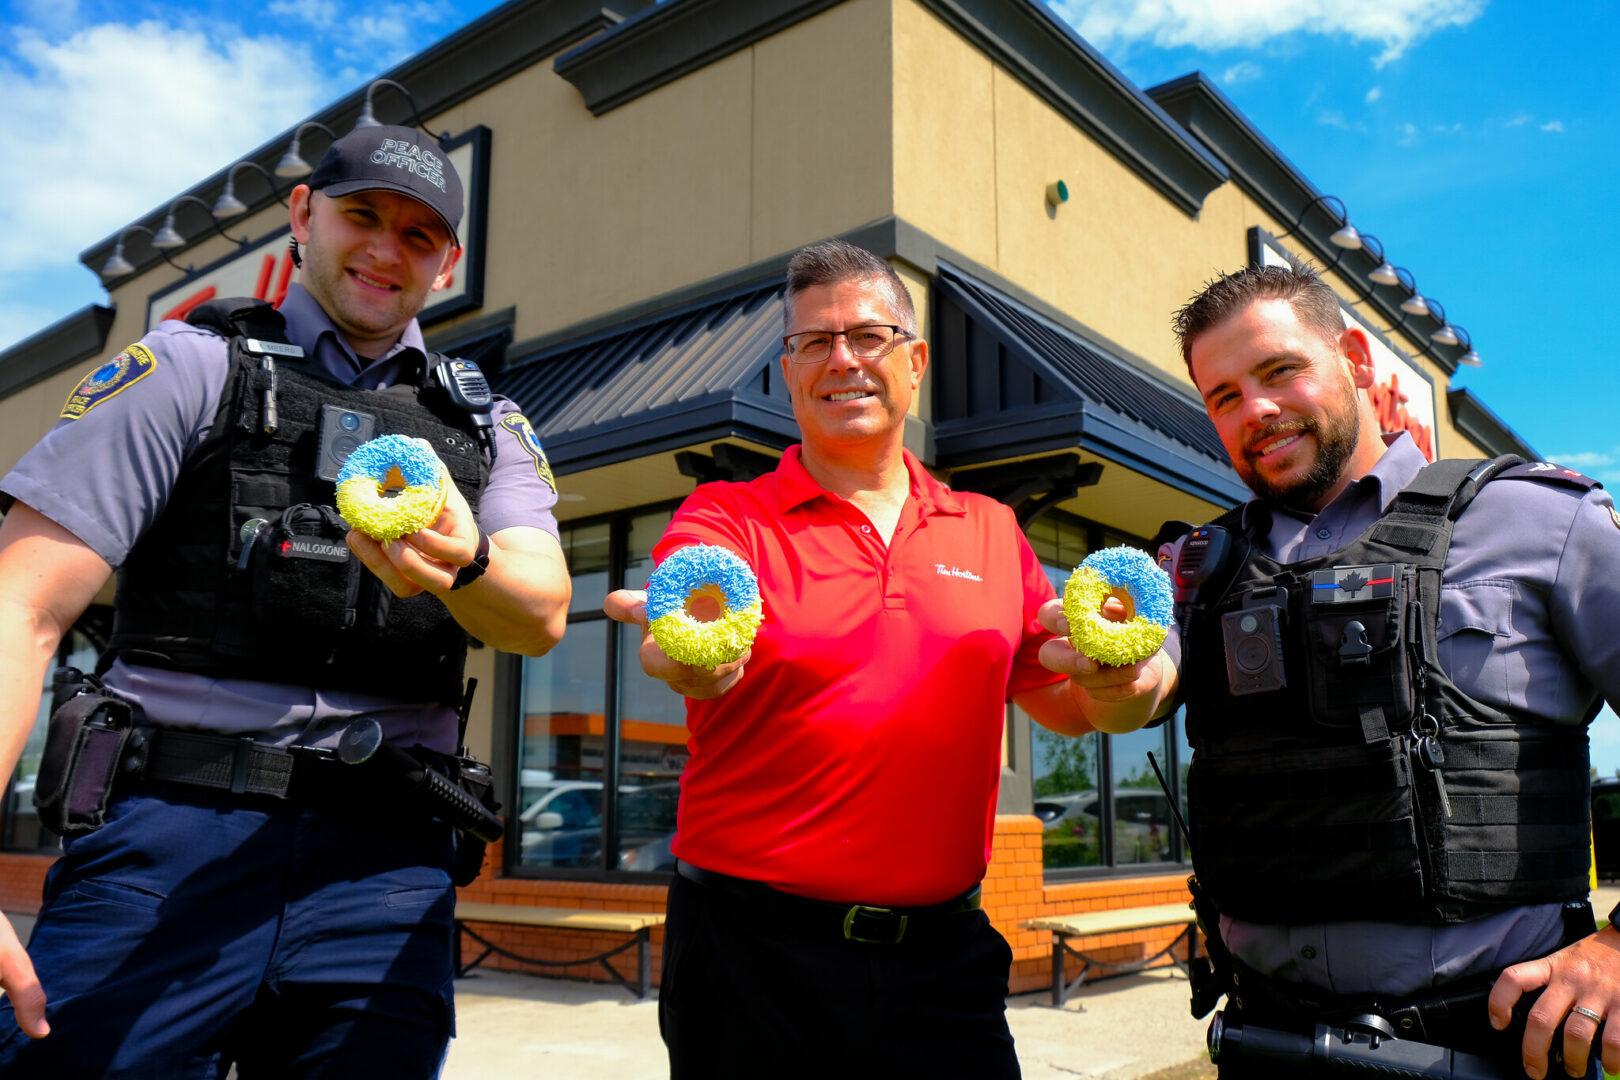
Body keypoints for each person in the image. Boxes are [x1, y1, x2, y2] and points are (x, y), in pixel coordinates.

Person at [0, 124, 570, 1076]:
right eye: (363, 215)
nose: (388, 249)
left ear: (449, 261)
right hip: (170, 839)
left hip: (385, 869)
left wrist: (464, 563)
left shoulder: (486, 426)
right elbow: (24, 607)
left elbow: (543, 614)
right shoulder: (189, 368)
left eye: (420, 234)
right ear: (302, 216)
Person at [1037, 262, 1620, 1080]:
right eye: (1225, 396)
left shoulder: (1539, 519)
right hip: (1265, 1044)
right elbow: (1139, 691)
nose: (1258, 411)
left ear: (1351, 354)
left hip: (1493, 1046)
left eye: (1280, 372)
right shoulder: (1194, 569)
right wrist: (1112, 677)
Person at [603, 239, 1106, 1078]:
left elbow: (1069, 706)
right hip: (749, 961)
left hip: (943, 961)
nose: (842, 360)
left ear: (915, 362)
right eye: (812, 342)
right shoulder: (725, 518)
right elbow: (682, 633)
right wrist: (693, 663)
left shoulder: (989, 529)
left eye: (867, 336)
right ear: (789, 371)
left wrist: (1129, 676)